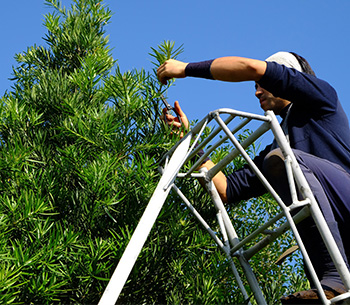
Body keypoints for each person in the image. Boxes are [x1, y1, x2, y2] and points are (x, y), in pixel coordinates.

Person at [157, 52, 350, 303]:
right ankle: (334, 279)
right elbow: (226, 188)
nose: (257, 92)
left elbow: (250, 67)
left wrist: (185, 69)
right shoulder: (277, 148)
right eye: (255, 87)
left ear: (289, 78)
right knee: (278, 161)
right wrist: (188, 141)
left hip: (344, 204)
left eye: (262, 85)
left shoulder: (322, 100)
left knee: (283, 160)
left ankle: (337, 277)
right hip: (334, 251)